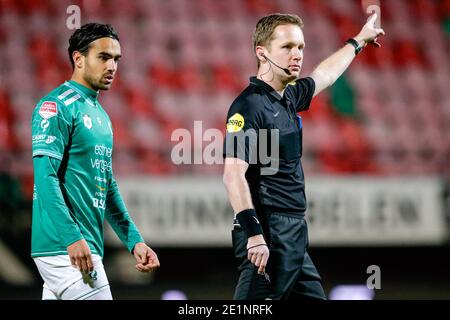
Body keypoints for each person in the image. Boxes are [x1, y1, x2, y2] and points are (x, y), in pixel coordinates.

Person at [223, 13, 384, 300]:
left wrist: (359, 40)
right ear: (262, 53)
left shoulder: (288, 98)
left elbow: (326, 75)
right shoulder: (248, 107)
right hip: (268, 232)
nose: (296, 54)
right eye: (286, 47)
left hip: (294, 232)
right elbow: (233, 173)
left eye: (300, 47)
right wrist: (254, 235)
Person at [31, 23, 160, 300]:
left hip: (81, 244)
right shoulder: (55, 106)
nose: (112, 65)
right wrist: (71, 238)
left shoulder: (100, 115)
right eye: (103, 57)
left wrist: (133, 239)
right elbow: (45, 177)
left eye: (116, 59)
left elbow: (106, 184)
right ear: (78, 59)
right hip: (66, 247)